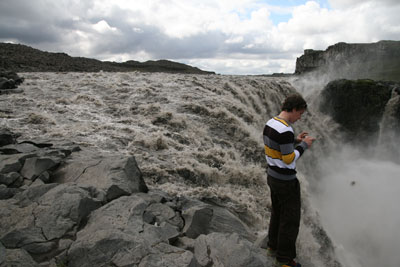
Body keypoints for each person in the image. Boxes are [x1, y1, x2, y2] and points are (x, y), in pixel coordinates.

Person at [263, 93, 315, 267]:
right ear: (292, 109)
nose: (300, 118)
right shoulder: (285, 129)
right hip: (286, 182)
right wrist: (304, 145)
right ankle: (284, 260)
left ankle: (272, 247)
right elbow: (288, 159)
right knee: (290, 221)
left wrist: (294, 140)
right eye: (300, 114)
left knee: (277, 214)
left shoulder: (271, 123)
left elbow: (277, 143)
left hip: (272, 177)